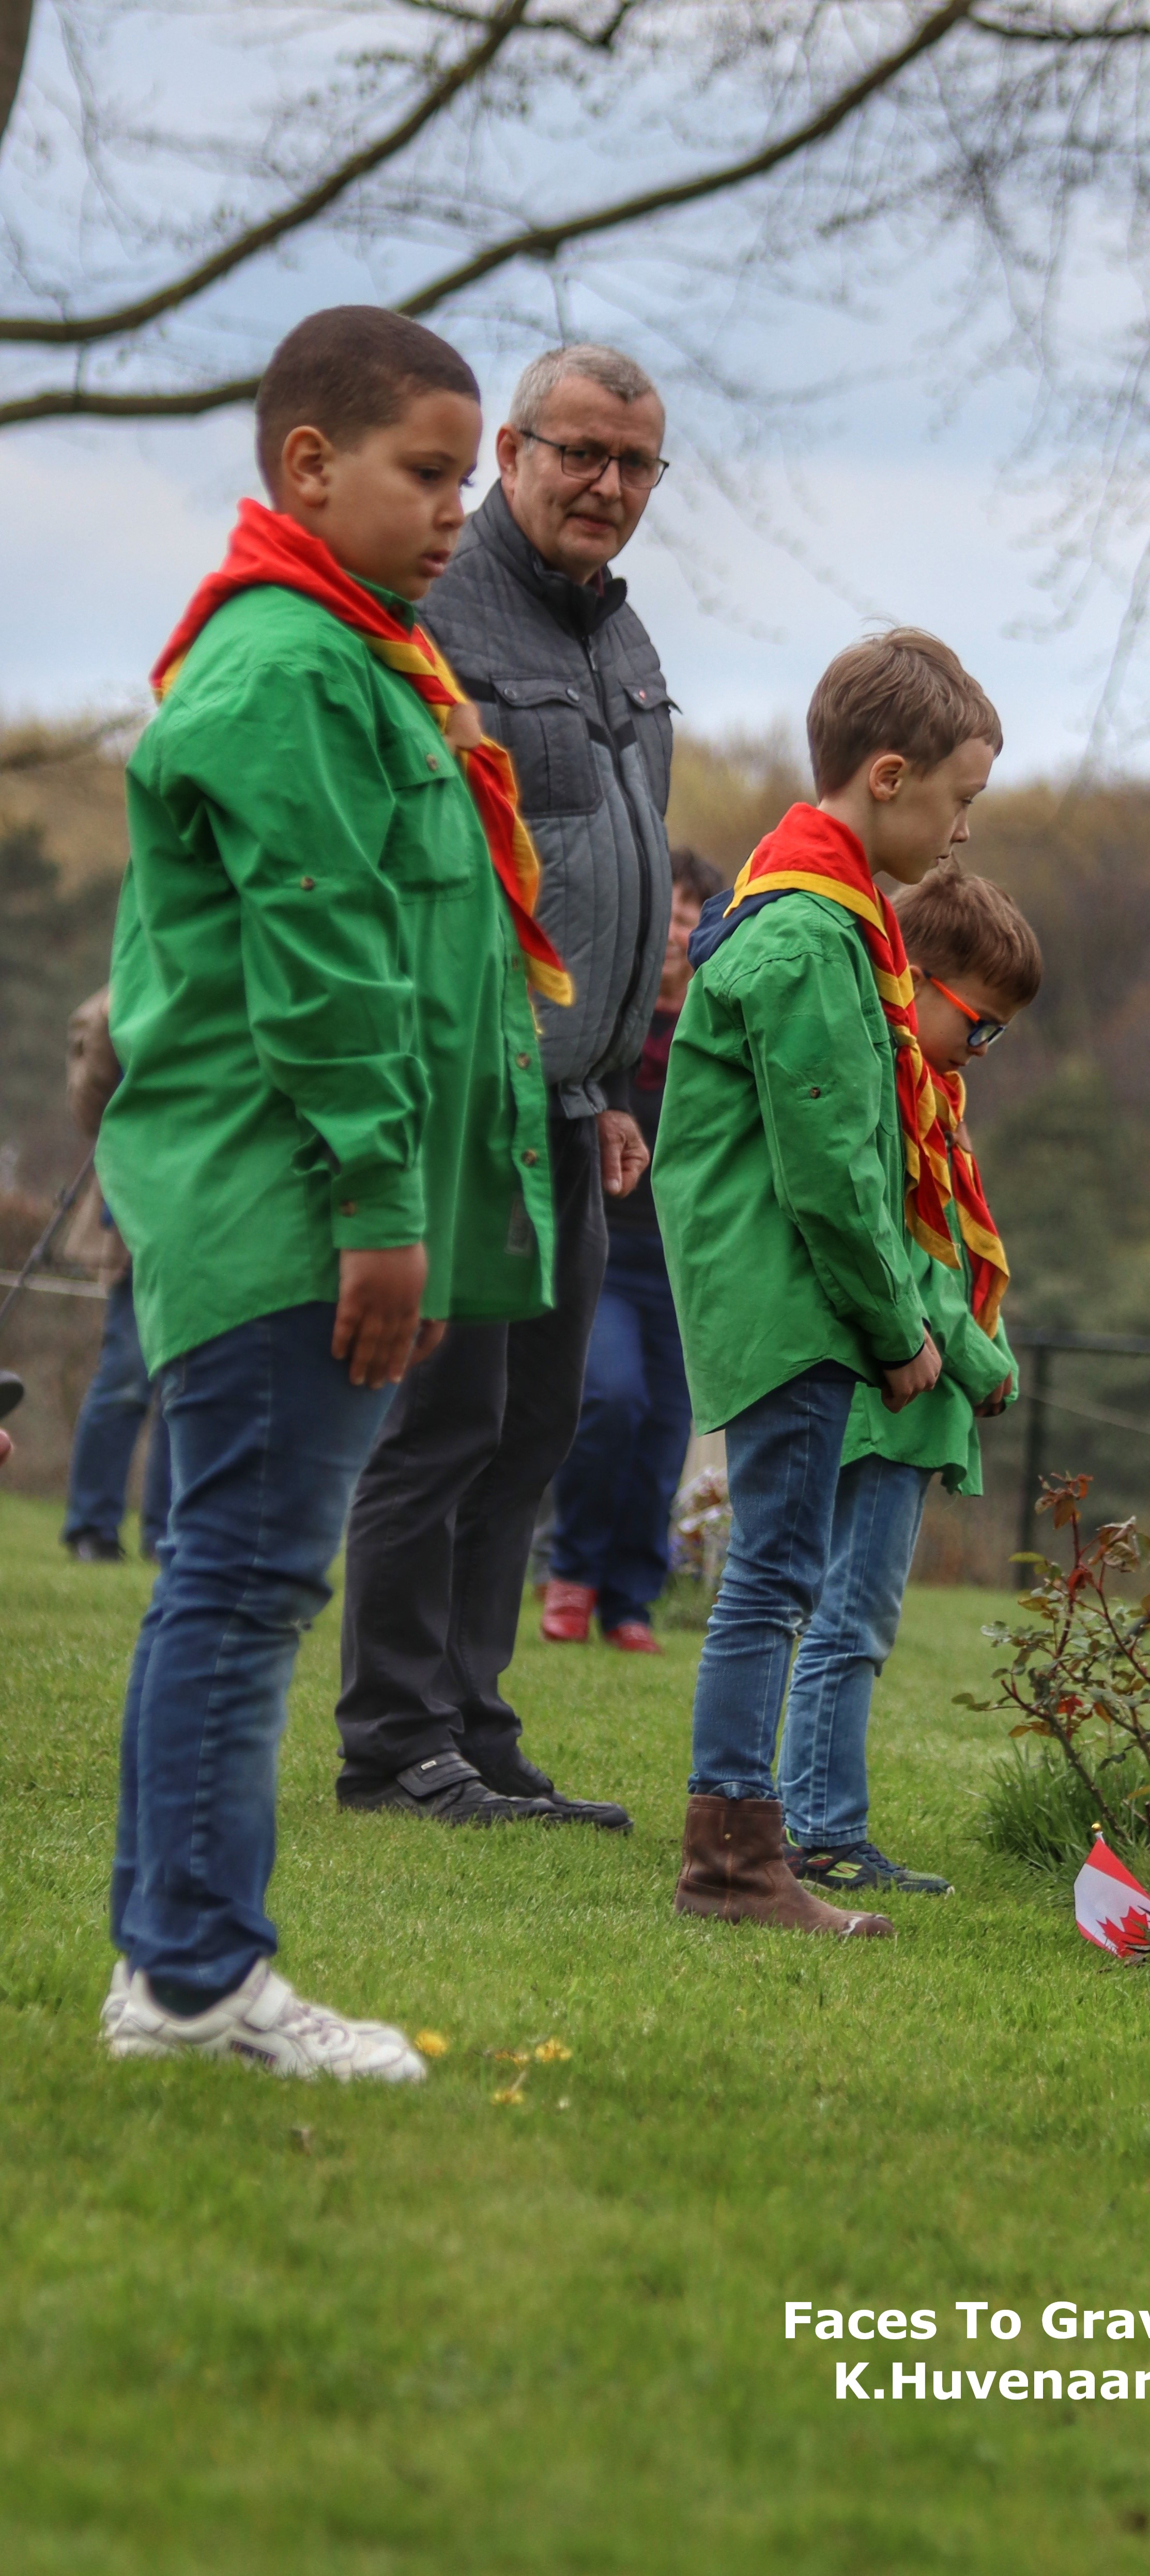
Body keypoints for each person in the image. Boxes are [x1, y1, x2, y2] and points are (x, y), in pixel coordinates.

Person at [98, 304, 567, 2078]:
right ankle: (204, 1980)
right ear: (309, 464)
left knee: (227, 1582)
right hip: (286, 1202)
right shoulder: (296, 666)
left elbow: (430, 977)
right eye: (431, 472)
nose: (461, 509)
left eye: (463, 476)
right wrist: (381, 1206)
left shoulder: (361, 662)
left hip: (322, 1203)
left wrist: (421, 1214)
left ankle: (169, 1967)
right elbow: (328, 968)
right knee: (239, 1585)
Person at [332, 343, 672, 1829]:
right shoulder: (441, 618)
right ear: (514, 453)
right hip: (464, 1094)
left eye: (634, 464)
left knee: (535, 1428)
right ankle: (393, 1737)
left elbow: (598, 885)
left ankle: (469, 1720)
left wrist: (602, 1086)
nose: (606, 485)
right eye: (578, 454)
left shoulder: (624, 636)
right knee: (442, 1427)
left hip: (568, 1101)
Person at [653, 627, 1003, 1937]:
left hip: (780, 1295)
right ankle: (735, 1867)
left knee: (775, 1579)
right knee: (770, 1586)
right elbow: (832, 1176)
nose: (962, 834)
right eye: (960, 801)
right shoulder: (810, 938)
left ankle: (745, 1858)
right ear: (894, 774)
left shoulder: (807, 905)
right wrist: (897, 1324)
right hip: (793, 1300)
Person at [778, 862, 1039, 1896]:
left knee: (849, 1617)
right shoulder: (895, 1089)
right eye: (977, 1022)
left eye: (997, 1035)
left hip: (910, 1399)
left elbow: (958, 1249)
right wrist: (980, 1358)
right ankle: (820, 1827)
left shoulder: (936, 1095)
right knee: (849, 1619)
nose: (981, 1048)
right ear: (916, 976)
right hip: (889, 1394)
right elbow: (900, 1247)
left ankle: (815, 1816)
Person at [541, 844, 722, 1652]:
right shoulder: (606, 1021)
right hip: (605, 1248)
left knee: (663, 1435)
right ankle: (569, 1570)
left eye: (695, 918)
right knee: (611, 1399)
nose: (679, 931)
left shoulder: (715, 1028)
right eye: (672, 913)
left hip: (683, 1264)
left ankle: (629, 1599)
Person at [59, 987, 173, 1562]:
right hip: (134, 1209)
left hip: (211, 1206)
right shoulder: (119, 1002)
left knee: (191, 1378)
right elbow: (89, 1111)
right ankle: (91, 1526)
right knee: (128, 1370)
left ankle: (168, 1534)